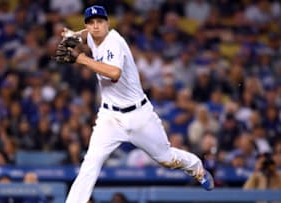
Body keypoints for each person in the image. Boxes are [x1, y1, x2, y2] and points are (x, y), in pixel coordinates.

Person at [61, 5, 214, 203]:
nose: (96, 26)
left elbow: (114, 73)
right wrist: (73, 36)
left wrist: (81, 58)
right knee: (90, 163)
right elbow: (85, 35)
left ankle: (196, 167)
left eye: (100, 21)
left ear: (108, 24)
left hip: (138, 115)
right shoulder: (91, 35)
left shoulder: (114, 42)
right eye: (91, 22)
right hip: (110, 117)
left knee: (166, 158)